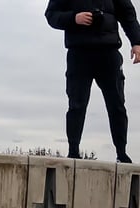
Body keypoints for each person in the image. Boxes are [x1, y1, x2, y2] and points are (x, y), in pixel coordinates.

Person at [46, 0, 140, 163]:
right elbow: (52, 15)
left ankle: (122, 153)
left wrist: (137, 42)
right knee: (76, 104)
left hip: (109, 52)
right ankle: (73, 152)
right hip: (79, 52)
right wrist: (74, 18)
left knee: (117, 104)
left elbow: (128, 16)